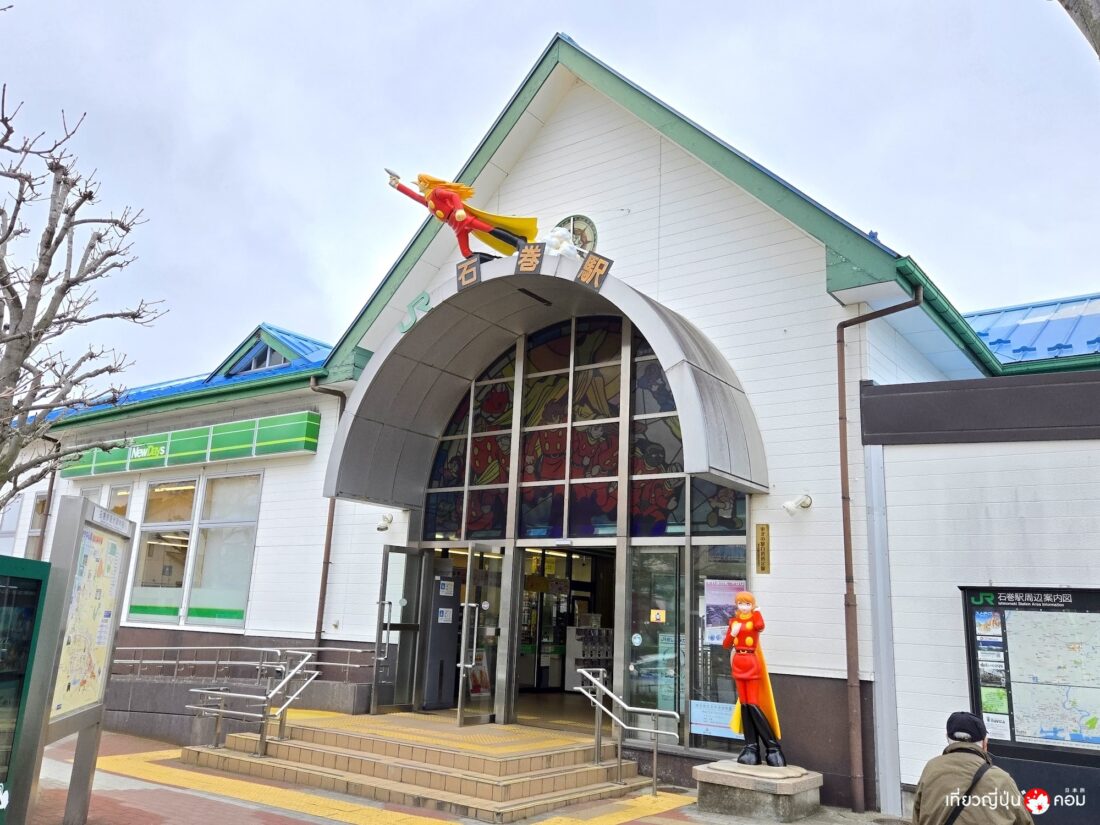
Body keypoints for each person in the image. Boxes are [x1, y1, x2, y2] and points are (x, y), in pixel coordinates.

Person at [912, 712, 1034, 825]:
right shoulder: (1000, 779)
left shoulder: (931, 769)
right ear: (985, 743)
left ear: (947, 738)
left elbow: (918, 814)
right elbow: (1024, 821)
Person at [388, 171, 537, 259]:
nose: (417, 185)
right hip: (455, 225)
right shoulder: (428, 200)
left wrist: (459, 209)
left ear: (425, 183)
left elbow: (454, 196)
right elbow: (414, 196)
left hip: (461, 217)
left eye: (419, 182)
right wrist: (397, 185)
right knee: (466, 253)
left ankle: (518, 241)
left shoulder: (437, 192)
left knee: (489, 229)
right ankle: (495, 261)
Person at [722, 591, 785, 766]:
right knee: (745, 705)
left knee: (753, 704)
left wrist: (757, 611)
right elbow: (726, 644)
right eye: (740, 603)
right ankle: (751, 747)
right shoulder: (733, 622)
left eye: (747, 604)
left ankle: (773, 747)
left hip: (751, 661)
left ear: (752, 605)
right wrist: (733, 633)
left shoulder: (754, 619)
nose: (743, 607)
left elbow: (760, 625)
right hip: (738, 662)